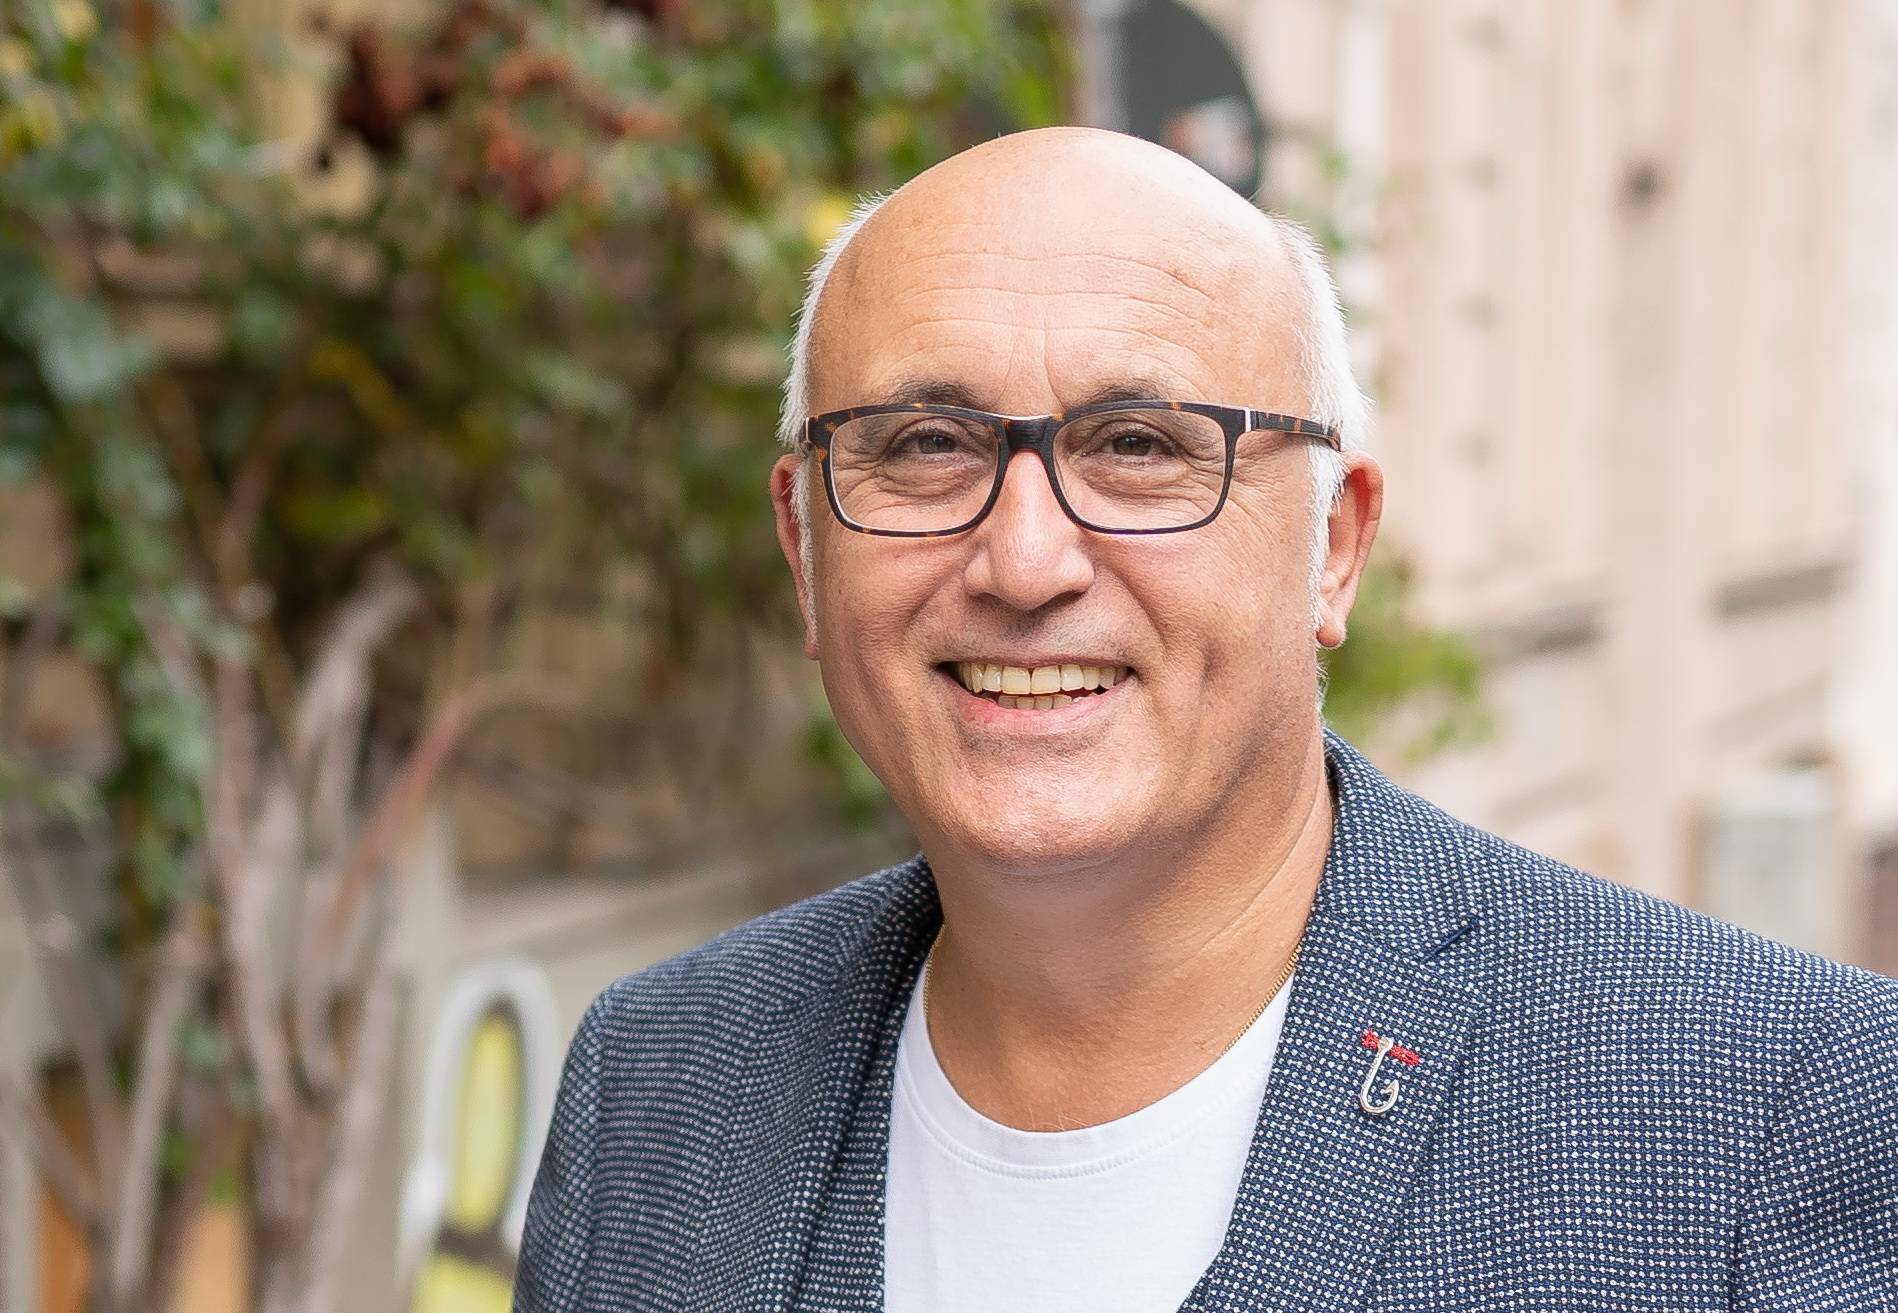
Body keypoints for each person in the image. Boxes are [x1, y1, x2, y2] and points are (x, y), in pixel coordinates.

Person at [513, 127, 1898, 1312]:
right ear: (803, 545)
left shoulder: (1759, 1110)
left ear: (1333, 547)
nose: (1024, 562)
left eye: (1139, 446)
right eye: (926, 446)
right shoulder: (658, 1084)